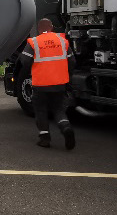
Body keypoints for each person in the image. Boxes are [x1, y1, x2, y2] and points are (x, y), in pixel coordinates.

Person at [21, 18, 76, 149]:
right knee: (58, 109)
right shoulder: (62, 41)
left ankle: (45, 139)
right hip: (59, 83)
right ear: (51, 27)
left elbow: (24, 61)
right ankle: (66, 127)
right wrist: (67, 76)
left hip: (40, 84)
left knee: (40, 110)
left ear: (39, 29)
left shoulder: (34, 42)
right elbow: (72, 62)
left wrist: (32, 70)